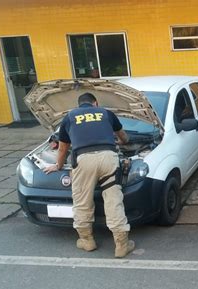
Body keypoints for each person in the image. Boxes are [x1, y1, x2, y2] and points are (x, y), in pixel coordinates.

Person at [43, 92, 135, 258]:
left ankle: (87, 241)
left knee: (82, 201)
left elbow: (63, 148)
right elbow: (124, 137)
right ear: (95, 103)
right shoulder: (105, 113)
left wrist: (58, 165)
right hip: (109, 158)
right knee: (114, 200)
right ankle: (121, 244)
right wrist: (120, 142)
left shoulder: (70, 117)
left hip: (83, 160)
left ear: (79, 105)